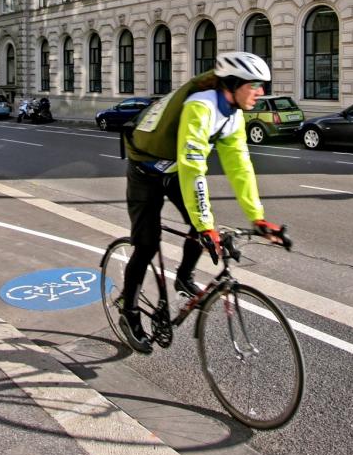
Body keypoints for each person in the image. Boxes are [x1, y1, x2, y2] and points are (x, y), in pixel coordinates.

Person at [118, 51, 287, 354]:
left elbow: (240, 166)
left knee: (203, 226)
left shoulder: (232, 114)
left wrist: (257, 218)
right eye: (255, 85)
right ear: (233, 84)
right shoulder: (201, 106)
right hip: (146, 169)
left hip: (175, 170)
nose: (261, 93)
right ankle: (129, 313)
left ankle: (183, 277)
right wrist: (204, 224)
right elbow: (193, 165)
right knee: (146, 244)